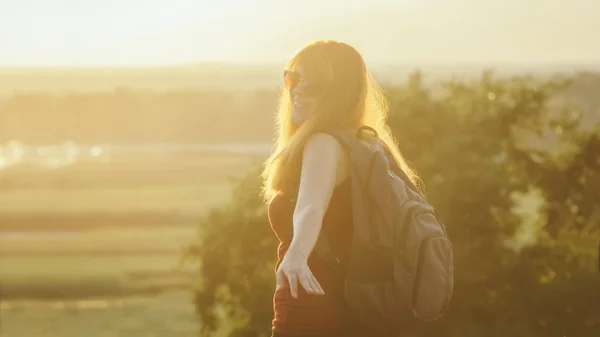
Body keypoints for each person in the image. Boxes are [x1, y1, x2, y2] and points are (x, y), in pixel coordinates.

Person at [261, 40, 420, 337]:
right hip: (346, 302)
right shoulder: (362, 142)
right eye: (293, 78)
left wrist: (296, 253)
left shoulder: (323, 143)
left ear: (340, 92)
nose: (296, 90)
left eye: (313, 84)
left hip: (309, 297)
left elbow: (311, 205)